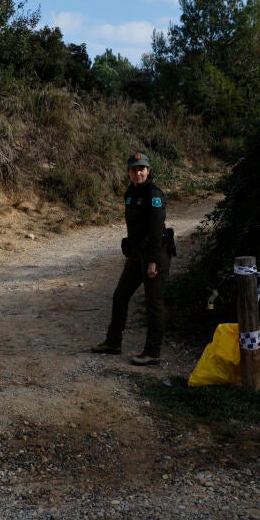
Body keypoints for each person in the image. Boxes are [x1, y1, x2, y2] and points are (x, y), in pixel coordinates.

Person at [91, 152, 174, 366]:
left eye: (142, 169)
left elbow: (156, 229)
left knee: (153, 302)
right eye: (134, 169)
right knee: (120, 295)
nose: (138, 173)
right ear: (128, 172)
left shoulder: (153, 194)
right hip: (137, 255)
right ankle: (113, 343)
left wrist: (153, 261)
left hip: (156, 254)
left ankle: (153, 352)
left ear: (148, 171)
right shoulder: (130, 193)